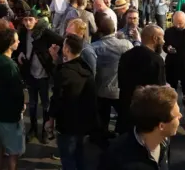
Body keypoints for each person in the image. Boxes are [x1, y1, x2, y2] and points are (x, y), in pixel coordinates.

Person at [98, 85, 181, 170]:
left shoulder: (164, 141)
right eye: (177, 115)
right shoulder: (117, 158)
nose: (180, 116)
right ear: (161, 126)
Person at [46, 34, 98, 169]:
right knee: (80, 157)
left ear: (67, 49)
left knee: (68, 159)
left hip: (67, 124)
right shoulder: (86, 69)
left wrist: (50, 120)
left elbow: (57, 99)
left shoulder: (64, 73)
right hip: (83, 123)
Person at [17, 10, 63, 143]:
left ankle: (44, 130)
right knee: (32, 103)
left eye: (30, 19)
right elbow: (20, 46)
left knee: (45, 104)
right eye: (25, 20)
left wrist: (53, 55)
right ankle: (32, 128)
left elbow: (61, 41)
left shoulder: (45, 32)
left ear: (36, 20)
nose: (27, 23)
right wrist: (20, 53)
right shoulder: (23, 32)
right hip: (30, 72)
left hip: (43, 73)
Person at [117, 25, 167, 134]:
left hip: (126, 110)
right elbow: (160, 91)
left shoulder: (126, 55)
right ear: (155, 38)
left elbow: (120, 81)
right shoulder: (157, 61)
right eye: (162, 38)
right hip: (147, 114)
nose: (163, 41)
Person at [0, 28, 25, 170]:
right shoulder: (10, 66)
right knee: (13, 153)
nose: (19, 41)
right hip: (10, 115)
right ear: (10, 44)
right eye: (16, 40)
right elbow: (17, 93)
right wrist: (20, 108)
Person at [92, 17, 133, 139]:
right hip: (118, 89)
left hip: (100, 88)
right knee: (124, 115)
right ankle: (120, 137)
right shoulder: (126, 44)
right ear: (114, 29)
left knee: (102, 117)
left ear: (100, 31)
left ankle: (102, 139)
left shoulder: (93, 47)